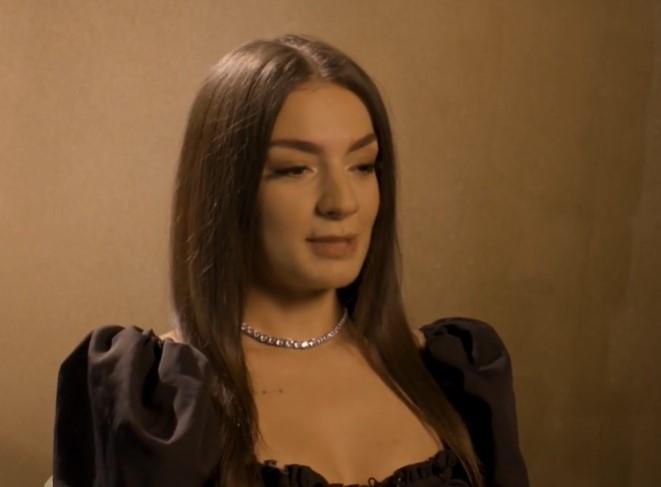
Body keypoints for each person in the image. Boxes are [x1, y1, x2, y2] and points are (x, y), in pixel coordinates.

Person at [51, 33, 529, 487]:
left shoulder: (454, 377)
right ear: (224, 190)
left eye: (362, 166)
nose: (341, 202)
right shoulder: (153, 406)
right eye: (295, 169)